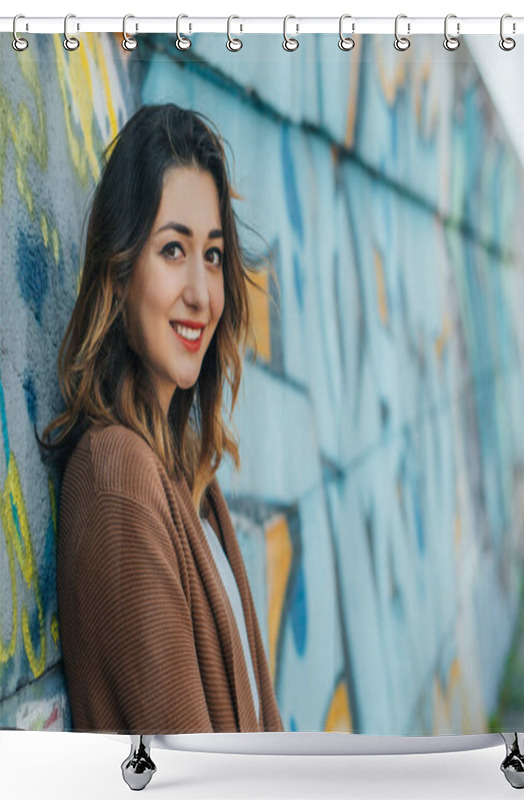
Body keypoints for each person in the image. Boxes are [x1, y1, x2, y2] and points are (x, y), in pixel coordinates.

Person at [36, 103, 283, 735]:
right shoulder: (118, 478)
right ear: (120, 272)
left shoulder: (183, 467)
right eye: (173, 249)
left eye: (213, 255)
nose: (201, 292)